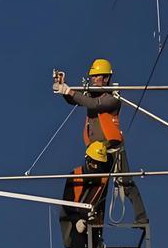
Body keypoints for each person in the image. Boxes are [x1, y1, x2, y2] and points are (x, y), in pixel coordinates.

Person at [53, 59, 149, 225]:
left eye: (97, 77)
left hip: (113, 150)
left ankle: (141, 217)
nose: (93, 80)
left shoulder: (112, 98)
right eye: (92, 77)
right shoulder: (91, 95)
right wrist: (63, 88)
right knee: (96, 184)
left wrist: (69, 92)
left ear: (106, 79)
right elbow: (76, 100)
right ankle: (94, 220)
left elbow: (93, 104)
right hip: (97, 152)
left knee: (125, 183)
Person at [58, 141, 111, 248]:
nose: (96, 167)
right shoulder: (74, 175)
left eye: (99, 164)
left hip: (91, 217)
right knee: (78, 237)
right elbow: (67, 203)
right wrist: (77, 220)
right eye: (94, 163)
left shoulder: (103, 178)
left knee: (94, 240)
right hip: (73, 216)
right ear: (88, 160)